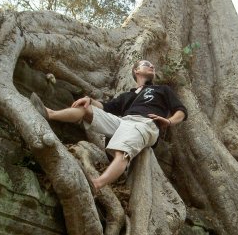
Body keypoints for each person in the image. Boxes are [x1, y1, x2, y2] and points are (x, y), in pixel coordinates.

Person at [30, 59, 187, 193]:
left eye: (152, 65)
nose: (152, 66)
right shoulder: (128, 95)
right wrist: (90, 100)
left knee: (122, 152)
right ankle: (50, 114)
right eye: (146, 64)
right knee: (85, 108)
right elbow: (106, 107)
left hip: (145, 123)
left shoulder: (162, 90)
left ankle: (97, 184)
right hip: (123, 122)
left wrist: (169, 121)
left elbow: (181, 110)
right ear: (136, 71)